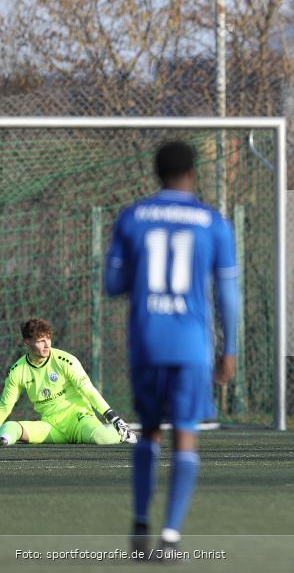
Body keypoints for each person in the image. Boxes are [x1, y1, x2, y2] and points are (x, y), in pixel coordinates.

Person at [105, 140, 239, 558]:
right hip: (191, 347)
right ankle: (171, 536)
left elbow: (112, 285)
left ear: (155, 172)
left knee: (148, 432)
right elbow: (228, 296)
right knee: (185, 435)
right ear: (193, 174)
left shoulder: (133, 217)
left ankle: (140, 522)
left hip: (147, 341)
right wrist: (229, 348)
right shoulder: (213, 222)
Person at [0, 318, 136, 446]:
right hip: (51, 427)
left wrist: (113, 418)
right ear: (27, 343)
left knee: (102, 438)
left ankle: (125, 434)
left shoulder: (65, 360)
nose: (47, 345)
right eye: (41, 340)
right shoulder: (17, 371)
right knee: (10, 427)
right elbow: (5, 407)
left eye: (48, 339)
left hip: (79, 419)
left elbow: (88, 390)